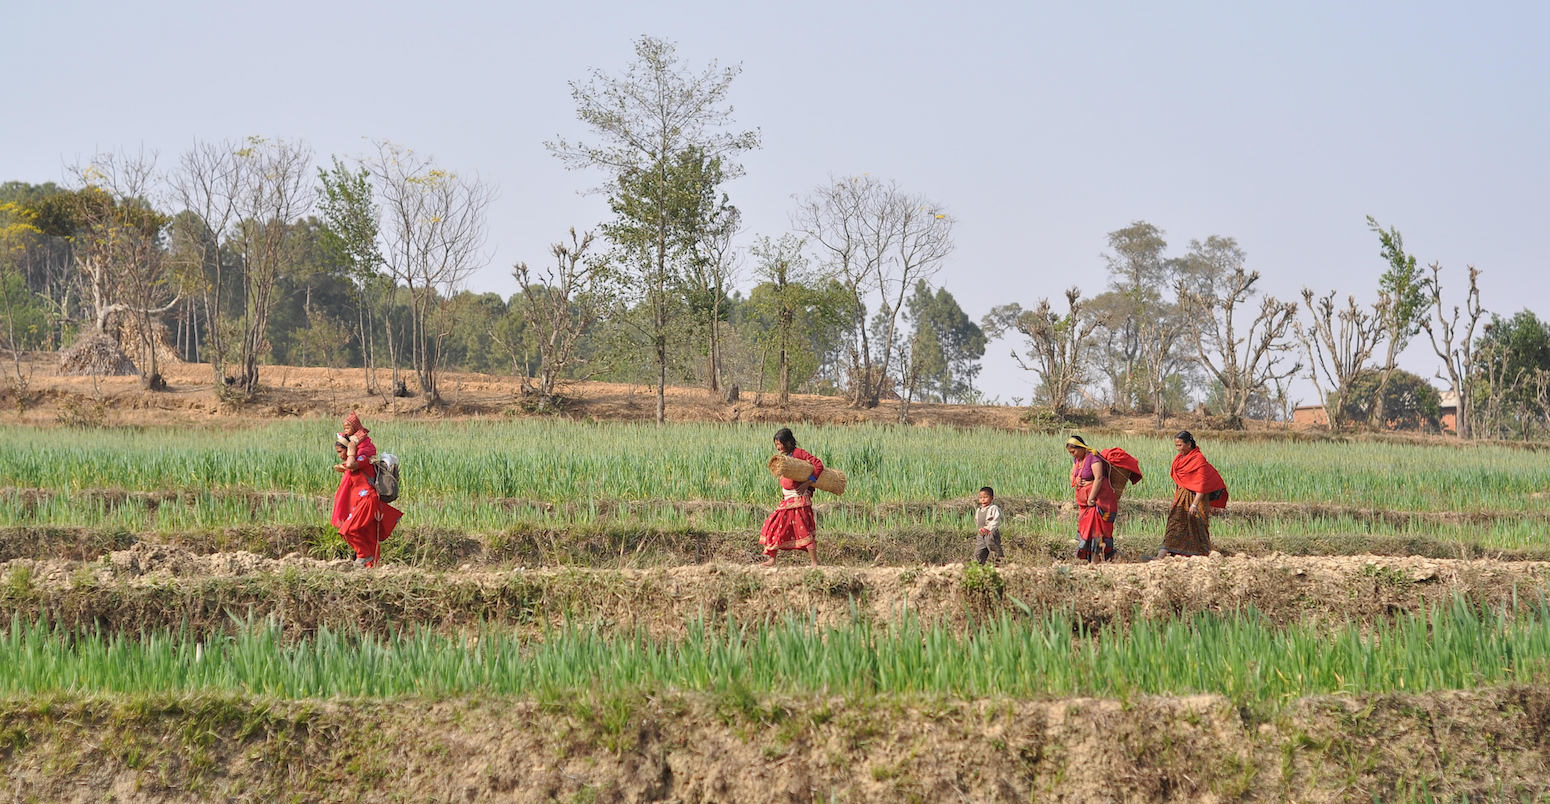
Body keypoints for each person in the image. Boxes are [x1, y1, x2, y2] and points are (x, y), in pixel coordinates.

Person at [331, 433, 401, 568]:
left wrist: (351, 448)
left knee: (348, 530)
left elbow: (351, 464)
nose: (339, 455)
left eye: (340, 451)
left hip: (367, 500)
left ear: (348, 450)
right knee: (368, 535)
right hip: (361, 502)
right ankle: (372, 566)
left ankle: (363, 555)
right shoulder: (352, 464)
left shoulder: (362, 460)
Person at [1160, 430, 1228, 557]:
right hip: (1181, 498)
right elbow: (1180, 483)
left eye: (1180, 445)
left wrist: (1195, 505)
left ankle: (1202, 555)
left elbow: (1201, 485)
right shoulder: (1179, 460)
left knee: (1198, 527)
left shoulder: (1198, 459)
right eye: (1176, 445)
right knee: (1174, 525)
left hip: (1197, 500)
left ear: (1189, 444)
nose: (1178, 448)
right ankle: (1160, 556)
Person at [759, 427, 820, 567]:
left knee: (804, 530)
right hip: (787, 499)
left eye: (780, 444)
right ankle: (772, 559)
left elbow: (818, 465)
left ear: (789, 442)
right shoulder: (784, 458)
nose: (778, 447)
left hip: (799, 499)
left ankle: (814, 562)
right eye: (776, 445)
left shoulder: (799, 453)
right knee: (773, 525)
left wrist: (808, 483)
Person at [1066, 435, 1117, 562]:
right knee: (1087, 531)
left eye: (1074, 451)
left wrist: (1091, 498)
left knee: (1098, 531)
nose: (1073, 455)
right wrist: (1076, 479)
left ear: (1082, 448)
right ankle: (1091, 560)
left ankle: (1097, 559)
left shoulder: (1093, 457)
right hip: (1085, 504)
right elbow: (1072, 475)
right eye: (1070, 453)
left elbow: (1099, 478)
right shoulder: (1078, 460)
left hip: (1098, 502)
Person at [973, 486, 1003, 565]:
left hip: (991, 533)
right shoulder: (979, 510)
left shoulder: (994, 508)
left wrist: (989, 529)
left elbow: (996, 520)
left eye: (985, 497)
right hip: (981, 533)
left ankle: (999, 564)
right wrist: (980, 529)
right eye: (980, 497)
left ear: (992, 498)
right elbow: (977, 520)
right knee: (979, 551)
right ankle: (977, 566)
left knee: (994, 549)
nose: (983, 499)